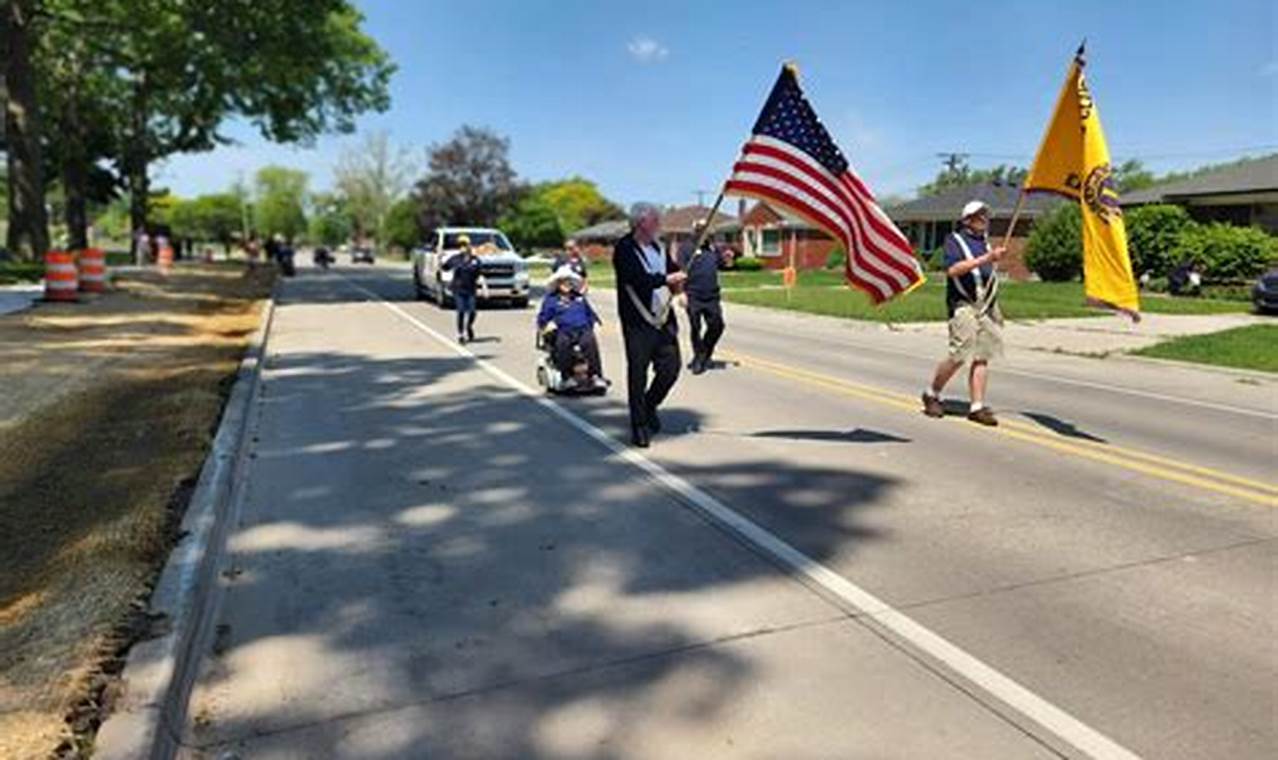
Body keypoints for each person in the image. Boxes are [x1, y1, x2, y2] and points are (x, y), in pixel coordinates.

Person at [921, 200, 1005, 426]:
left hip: (986, 307)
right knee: (959, 353)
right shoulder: (954, 240)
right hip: (963, 304)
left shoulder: (986, 244)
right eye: (979, 215)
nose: (984, 219)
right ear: (967, 220)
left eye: (986, 215)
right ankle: (932, 393)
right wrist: (987, 259)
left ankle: (977, 407)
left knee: (982, 356)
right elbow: (953, 270)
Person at [613, 203, 686, 447]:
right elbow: (635, 279)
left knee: (671, 369)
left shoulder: (659, 247)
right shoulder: (624, 249)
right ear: (642, 222)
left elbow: (674, 271)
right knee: (638, 374)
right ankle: (639, 425)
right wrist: (666, 279)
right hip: (638, 322)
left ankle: (649, 404)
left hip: (664, 319)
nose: (659, 224)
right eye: (655, 219)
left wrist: (679, 279)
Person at [679, 220, 734, 374]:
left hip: (711, 296)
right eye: (700, 229)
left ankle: (704, 353)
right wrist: (682, 293)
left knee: (717, 326)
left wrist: (728, 259)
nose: (704, 232)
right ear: (695, 231)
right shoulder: (686, 248)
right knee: (695, 328)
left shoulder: (712, 248)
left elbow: (723, 265)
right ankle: (699, 359)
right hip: (693, 295)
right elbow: (681, 271)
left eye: (706, 229)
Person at [537, 266, 604, 382]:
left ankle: (595, 375)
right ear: (558, 284)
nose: (566, 284)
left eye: (568, 281)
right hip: (562, 330)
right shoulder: (551, 300)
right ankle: (566, 376)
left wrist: (596, 322)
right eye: (563, 282)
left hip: (582, 329)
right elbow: (543, 318)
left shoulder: (579, 298)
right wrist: (546, 325)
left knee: (590, 343)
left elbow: (590, 313)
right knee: (563, 344)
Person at [443, 234, 484, 343]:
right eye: (460, 245)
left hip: (471, 290)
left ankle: (469, 327)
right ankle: (460, 334)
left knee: (472, 312)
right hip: (458, 289)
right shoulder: (455, 259)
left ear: (469, 246)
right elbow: (445, 267)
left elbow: (480, 274)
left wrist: (484, 288)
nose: (463, 247)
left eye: (465, 245)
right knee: (461, 311)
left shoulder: (475, 260)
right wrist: (440, 259)